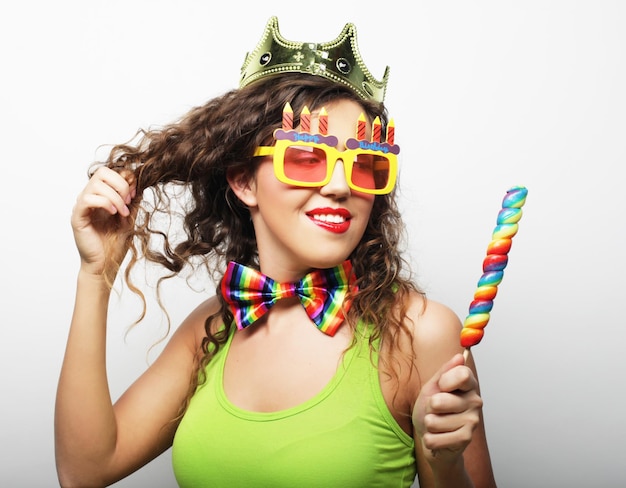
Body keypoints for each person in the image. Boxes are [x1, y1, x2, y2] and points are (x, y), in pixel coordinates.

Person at [55, 16, 497, 488]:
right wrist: (95, 273)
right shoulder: (213, 326)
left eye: (366, 165)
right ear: (244, 180)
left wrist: (446, 463)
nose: (341, 185)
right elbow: (85, 470)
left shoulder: (422, 333)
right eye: (308, 158)